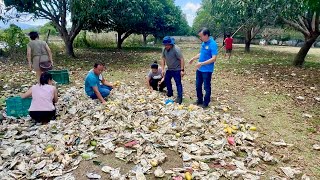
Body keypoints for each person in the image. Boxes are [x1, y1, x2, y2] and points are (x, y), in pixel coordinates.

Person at [189, 28, 218, 108]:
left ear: (206, 35)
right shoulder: (203, 43)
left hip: (207, 70)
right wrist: (193, 58)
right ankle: (199, 100)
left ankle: (206, 103)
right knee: (198, 85)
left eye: (201, 36)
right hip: (199, 69)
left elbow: (214, 58)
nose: (200, 38)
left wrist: (202, 63)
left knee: (206, 87)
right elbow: (202, 53)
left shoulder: (213, 44)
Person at [161, 36, 185, 104]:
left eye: (167, 45)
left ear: (171, 44)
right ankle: (170, 93)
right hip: (169, 68)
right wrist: (162, 69)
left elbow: (181, 59)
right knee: (167, 80)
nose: (166, 46)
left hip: (177, 69)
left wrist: (182, 70)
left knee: (178, 83)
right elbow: (163, 58)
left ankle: (179, 97)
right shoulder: (164, 49)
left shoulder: (176, 49)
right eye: (165, 45)